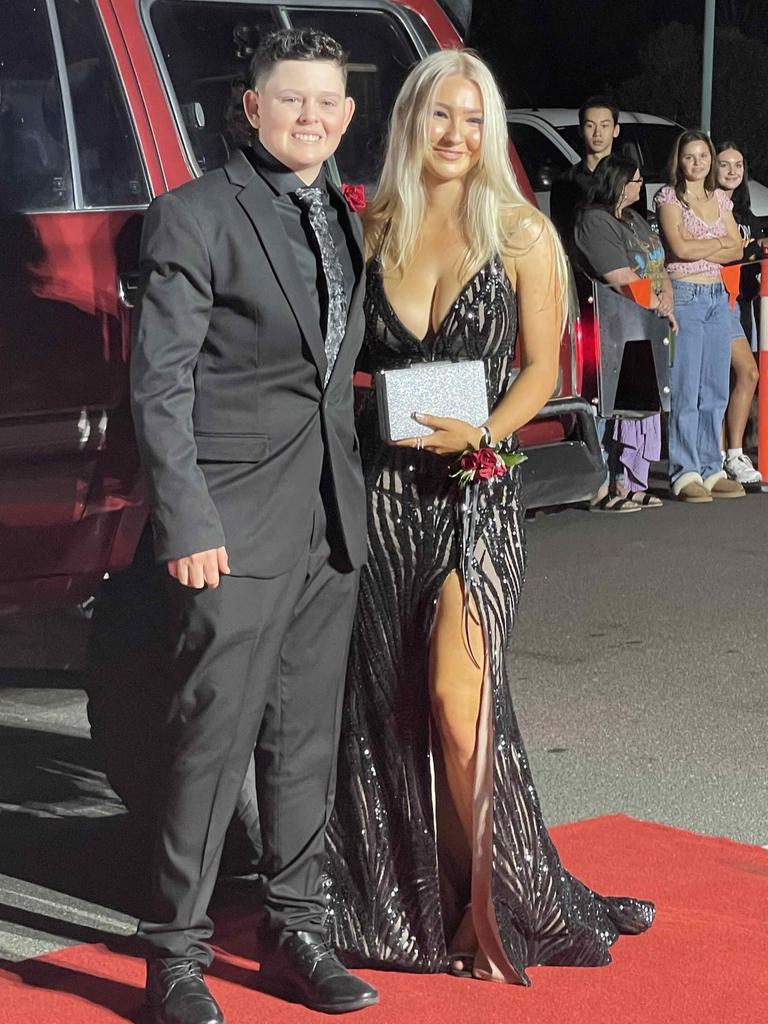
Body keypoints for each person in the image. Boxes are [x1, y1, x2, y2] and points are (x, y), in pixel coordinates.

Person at [325, 49, 654, 986]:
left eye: (475, 120)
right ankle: (410, 892)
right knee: (388, 706)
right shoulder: (372, 224)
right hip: (388, 494)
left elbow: (544, 371)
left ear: (491, 128)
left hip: (475, 491)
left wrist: (486, 433)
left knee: (457, 702)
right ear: (411, 122)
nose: (457, 136)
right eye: (441, 117)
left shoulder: (518, 230)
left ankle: (485, 908)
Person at [129, 28, 379, 1024]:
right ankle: (174, 958)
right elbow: (159, 385)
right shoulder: (194, 215)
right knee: (209, 741)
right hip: (228, 525)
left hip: (328, 519)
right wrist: (187, 518)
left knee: (304, 742)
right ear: (251, 107)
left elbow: (336, 374)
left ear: (347, 114)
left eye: (327, 101)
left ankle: (296, 928)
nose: (309, 117)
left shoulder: (345, 216)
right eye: (291, 100)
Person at [574, 153, 678, 510]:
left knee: (643, 405)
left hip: (646, 322)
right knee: (610, 404)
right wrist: (655, 301)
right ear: (616, 182)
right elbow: (619, 277)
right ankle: (602, 486)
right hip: (615, 322)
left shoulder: (635, 219)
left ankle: (632, 482)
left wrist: (666, 298)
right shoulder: (594, 222)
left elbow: (658, 266)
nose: (639, 186)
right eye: (633, 180)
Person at [656, 130, 747, 502]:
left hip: (716, 296)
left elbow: (738, 249)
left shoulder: (720, 199)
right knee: (686, 389)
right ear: (679, 160)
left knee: (715, 389)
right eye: (690, 157)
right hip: (687, 296)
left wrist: (703, 249)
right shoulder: (669, 198)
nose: (698, 163)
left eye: (703, 157)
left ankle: (712, 467)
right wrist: (716, 246)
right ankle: (684, 470)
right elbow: (677, 248)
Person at [715, 140, 764, 485]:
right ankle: (719, 454)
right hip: (713, 300)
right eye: (725, 164)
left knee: (745, 375)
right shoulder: (707, 210)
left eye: (739, 165)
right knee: (721, 378)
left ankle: (734, 452)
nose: (733, 171)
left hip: (743, 302)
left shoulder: (748, 215)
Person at [550, 96, 648, 246]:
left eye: (604, 125)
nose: (597, 133)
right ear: (581, 130)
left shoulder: (630, 178)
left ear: (616, 130)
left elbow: (639, 226)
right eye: (590, 126)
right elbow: (562, 233)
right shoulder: (565, 182)